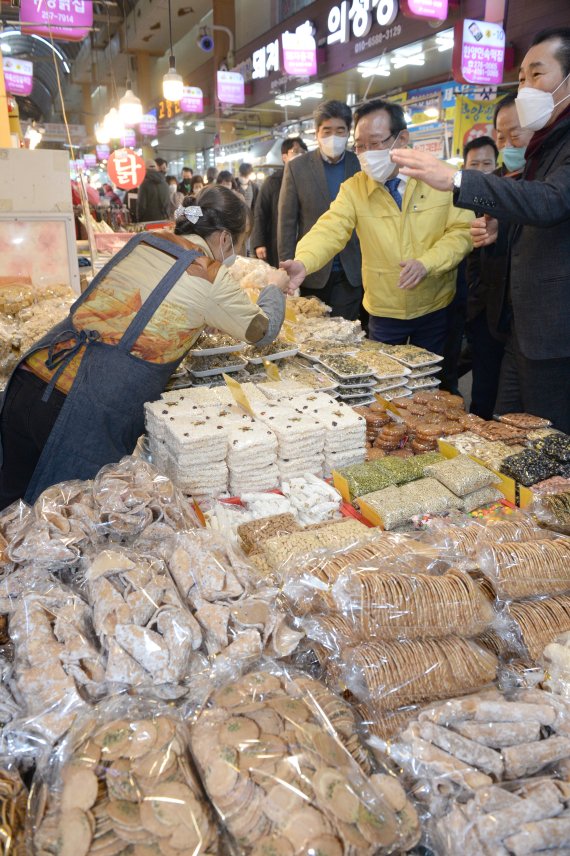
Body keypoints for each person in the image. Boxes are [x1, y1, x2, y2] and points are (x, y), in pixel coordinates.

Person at [0, 186, 291, 508]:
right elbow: (263, 331)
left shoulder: (145, 241)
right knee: (61, 525)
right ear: (224, 238)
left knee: (10, 508)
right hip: (79, 410)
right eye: (240, 241)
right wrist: (274, 288)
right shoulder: (211, 276)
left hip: (34, 376)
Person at [391, 27, 570, 431]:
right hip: (517, 330)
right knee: (505, 432)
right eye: (521, 77)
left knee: (547, 444)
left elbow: (552, 201)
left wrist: (457, 180)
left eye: (537, 74)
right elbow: (533, 209)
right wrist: (499, 226)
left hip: (554, 334)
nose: (525, 87)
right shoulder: (546, 142)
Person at [281, 99, 472, 350]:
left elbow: (462, 232)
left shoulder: (442, 178)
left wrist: (428, 263)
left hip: (435, 305)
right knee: (385, 381)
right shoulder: (355, 188)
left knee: (434, 381)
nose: (367, 153)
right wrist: (304, 260)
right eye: (360, 146)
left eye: (374, 143)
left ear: (401, 138)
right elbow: (329, 229)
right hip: (383, 308)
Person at [465, 95, 534, 419]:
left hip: (533, 320)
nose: (508, 144)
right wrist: (478, 299)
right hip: (491, 313)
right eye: (501, 137)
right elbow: (474, 249)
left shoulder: (547, 185)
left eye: (515, 135)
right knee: (485, 396)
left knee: (529, 408)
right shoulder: (490, 187)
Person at [278, 100, 363, 321]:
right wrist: (287, 267)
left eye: (340, 130)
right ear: (317, 133)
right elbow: (287, 221)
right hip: (312, 271)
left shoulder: (361, 164)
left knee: (347, 331)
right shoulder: (297, 167)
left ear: (348, 133)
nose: (333, 136)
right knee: (313, 329)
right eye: (327, 130)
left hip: (352, 268)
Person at [440, 135, 499, 393]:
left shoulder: (504, 200)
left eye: (487, 163)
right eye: (474, 165)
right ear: (464, 167)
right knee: (451, 351)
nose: (481, 170)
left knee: (483, 360)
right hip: (456, 289)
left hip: (489, 299)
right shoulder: (452, 199)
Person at [251, 137, 308, 268]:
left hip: (305, 241)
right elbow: (260, 213)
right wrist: (259, 243)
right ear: (284, 157)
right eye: (295, 152)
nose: (300, 155)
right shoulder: (272, 181)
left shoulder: (309, 181)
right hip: (277, 241)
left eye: (304, 152)